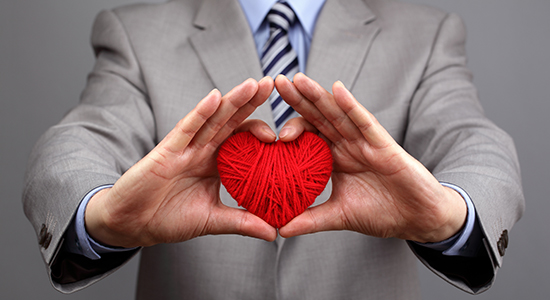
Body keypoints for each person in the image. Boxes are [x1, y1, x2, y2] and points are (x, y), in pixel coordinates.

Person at [23, 0, 524, 299]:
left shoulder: (425, 34)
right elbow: (79, 139)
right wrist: (99, 215)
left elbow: (474, 139)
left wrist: (451, 215)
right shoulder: (137, 32)